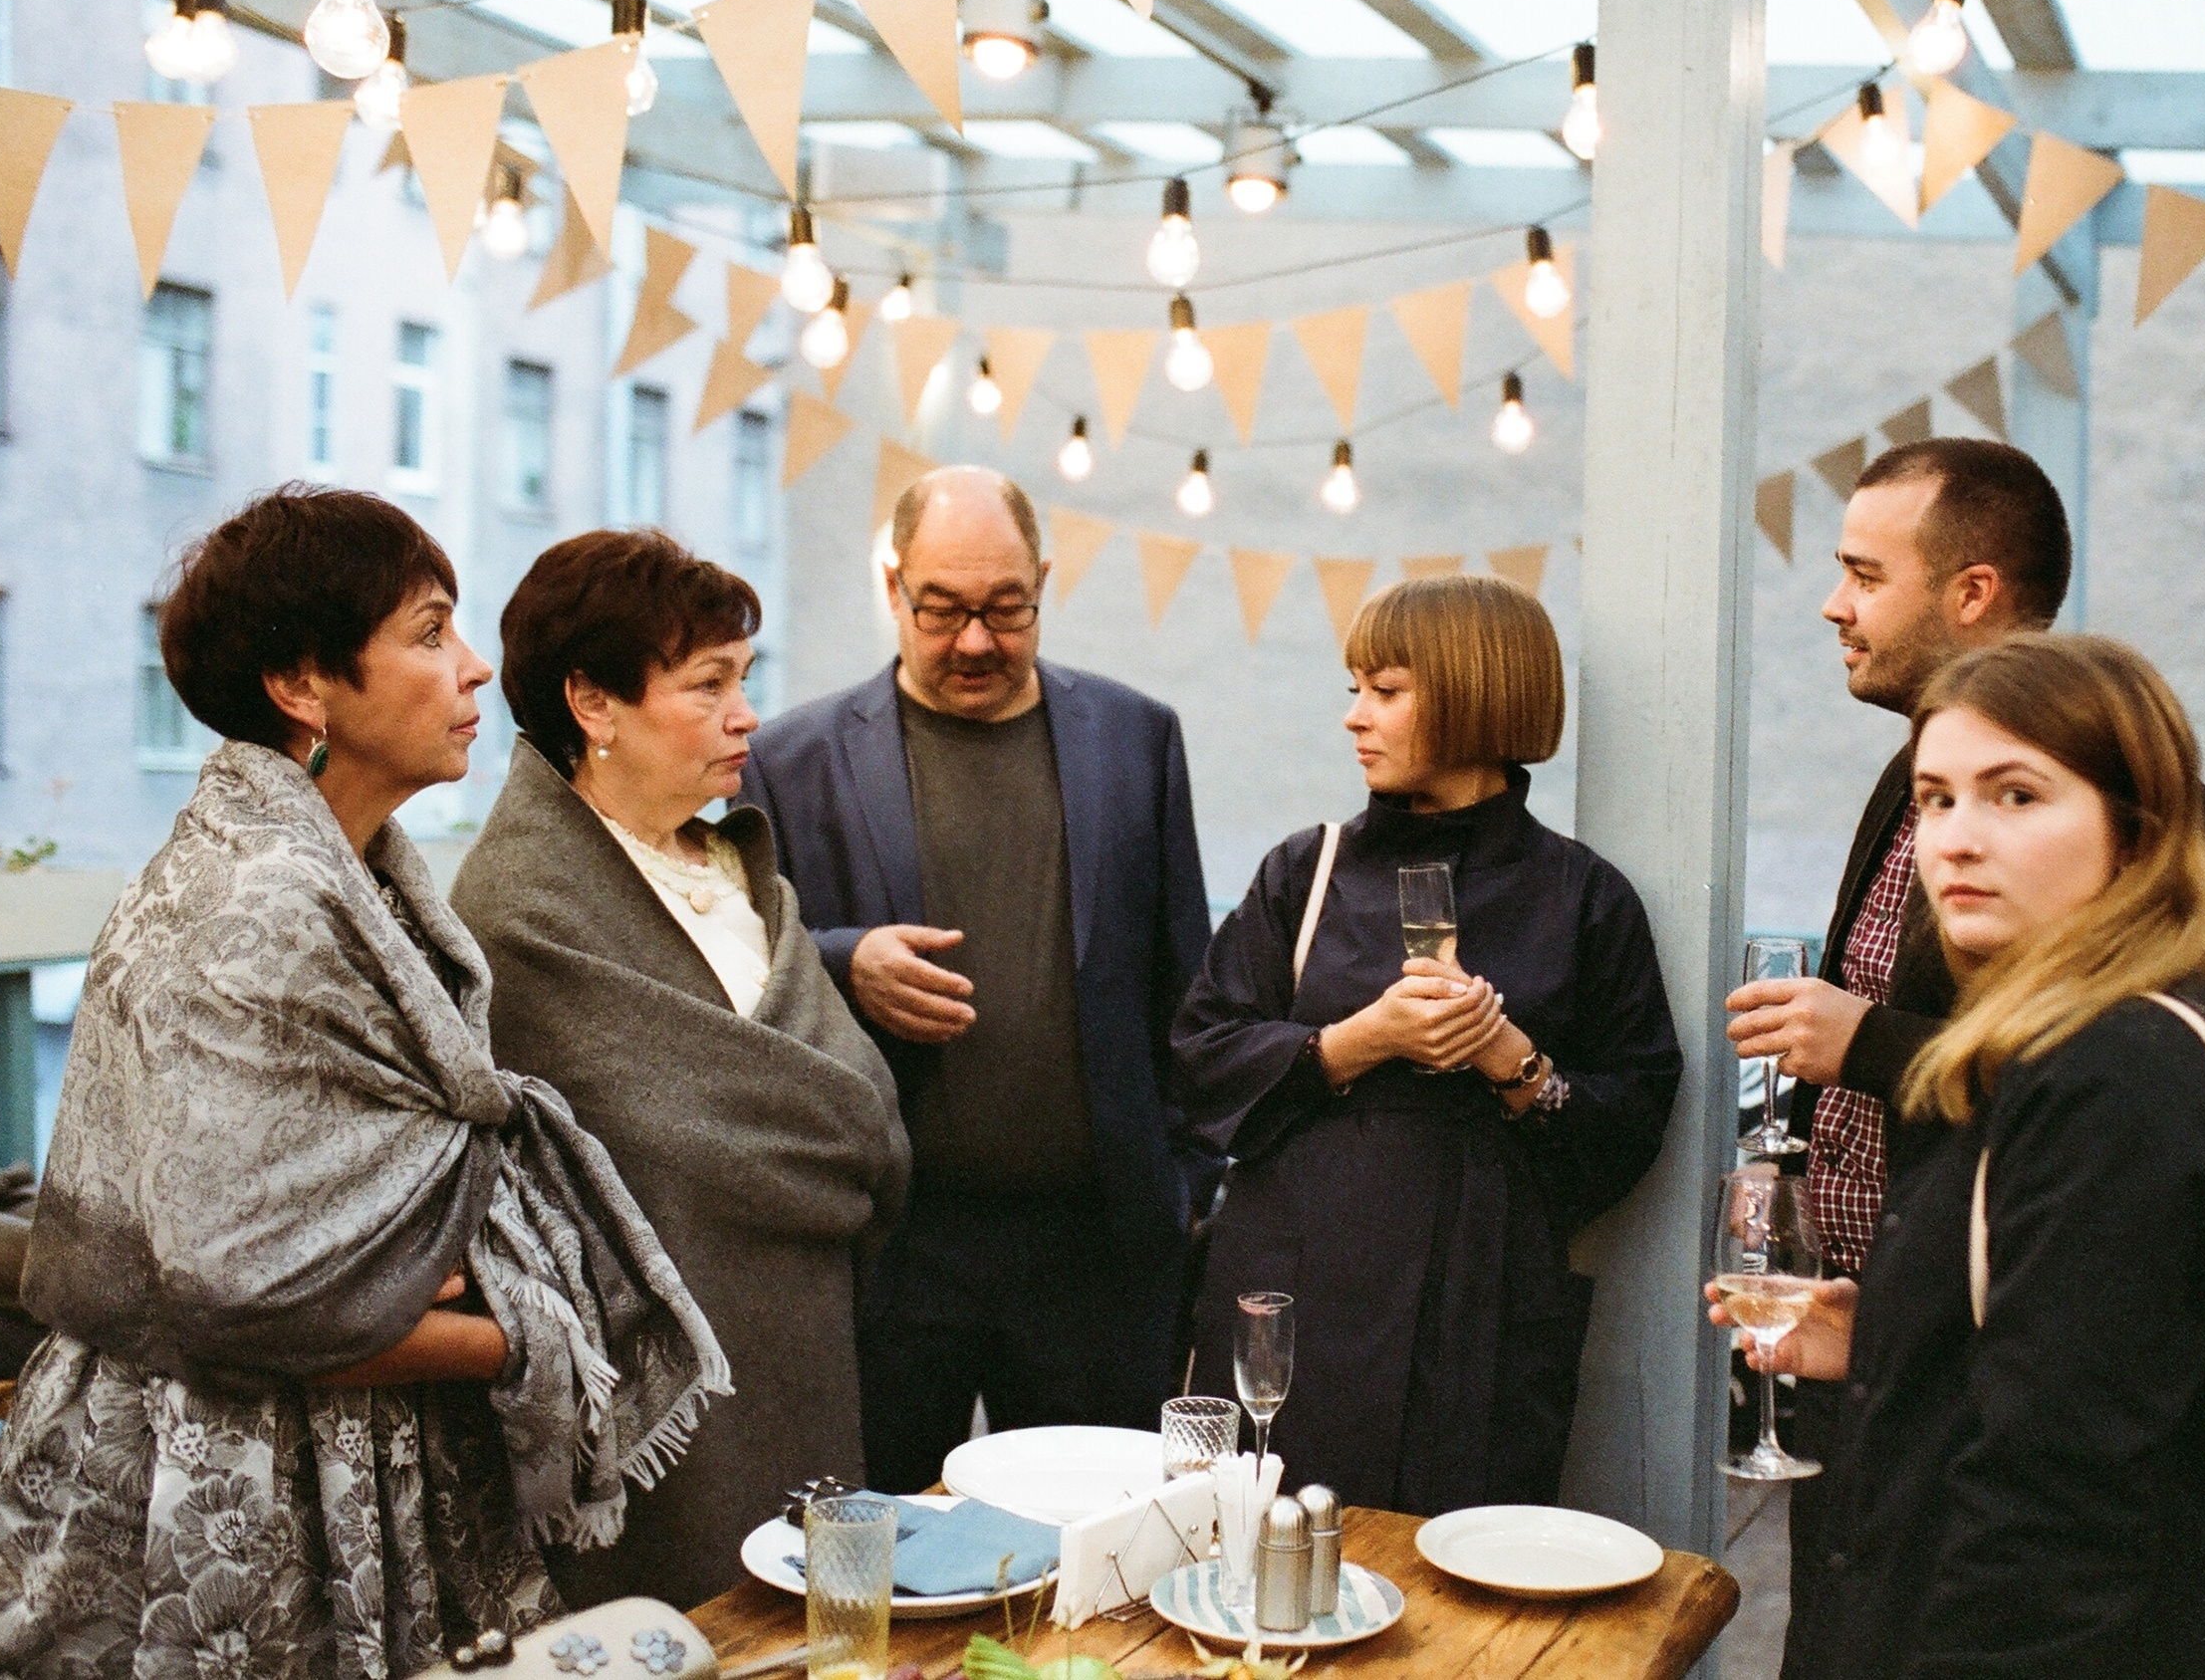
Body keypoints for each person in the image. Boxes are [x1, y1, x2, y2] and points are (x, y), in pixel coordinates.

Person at [0, 488, 726, 1674]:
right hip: (228, 1480)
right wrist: (507, 1336)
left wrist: (423, 1262)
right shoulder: (257, 905)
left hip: (342, 1451)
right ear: (304, 684)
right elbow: (248, 1282)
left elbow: (354, 1231)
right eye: (431, 632)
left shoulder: (352, 876)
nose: (477, 668)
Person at [1710, 632, 2205, 1679]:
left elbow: (2053, 1525)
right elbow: (2110, 1356)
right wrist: (1892, 1334)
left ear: (2136, 827)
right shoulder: (2089, 1032)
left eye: (2015, 796)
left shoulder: (2109, 1073)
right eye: (1936, 798)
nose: (1956, 839)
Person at [453, 530, 911, 1609]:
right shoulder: (521, 911)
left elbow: (858, 1118)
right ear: (592, 702)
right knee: (693, 1633)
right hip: (668, 1408)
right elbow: (801, 1125)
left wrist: (850, 1122)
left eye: (743, 680)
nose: (743, 714)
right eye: (707, 685)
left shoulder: (743, 869)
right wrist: (849, 1122)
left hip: (812, 1347)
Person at [740, 466, 1212, 1494]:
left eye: (1007, 608)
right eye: (942, 609)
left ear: (1043, 581)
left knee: (1096, 1557)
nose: (975, 641)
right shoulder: (791, 758)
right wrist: (840, 958)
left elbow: (1189, 991)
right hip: (896, 1250)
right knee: (888, 1557)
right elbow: (737, 963)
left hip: (1095, 1248)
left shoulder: (1139, 738)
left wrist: (1187, 1187)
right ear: (893, 583)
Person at [1172, 576, 1681, 1514]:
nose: (1354, 718)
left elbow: (1634, 1124)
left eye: (1387, 690)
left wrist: (1511, 1059)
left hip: (1476, 1309)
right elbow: (1199, 1056)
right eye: (1352, 687)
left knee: (1450, 1592)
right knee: (1263, 1561)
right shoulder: (1305, 868)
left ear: (1476, 694)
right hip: (1294, 1294)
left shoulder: (1583, 897)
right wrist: (1355, 1041)